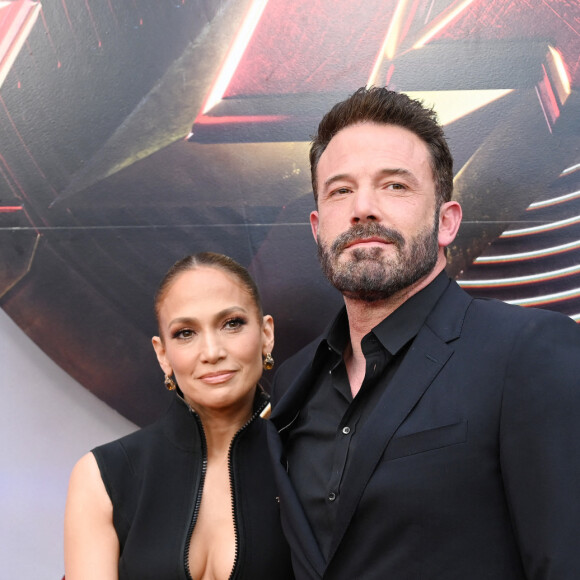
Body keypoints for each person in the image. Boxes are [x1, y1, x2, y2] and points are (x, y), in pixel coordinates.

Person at [267, 87, 580, 579]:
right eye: (340, 190)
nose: (363, 208)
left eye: (395, 186)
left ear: (447, 221)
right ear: (316, 226)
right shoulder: (292, 383)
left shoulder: (526, 351)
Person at [64, 252, 294, 580]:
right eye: (186, 333)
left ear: (266, 334)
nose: (212, 352)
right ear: (163, 354)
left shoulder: (314, 459)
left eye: (232, 324)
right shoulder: (102, 476)